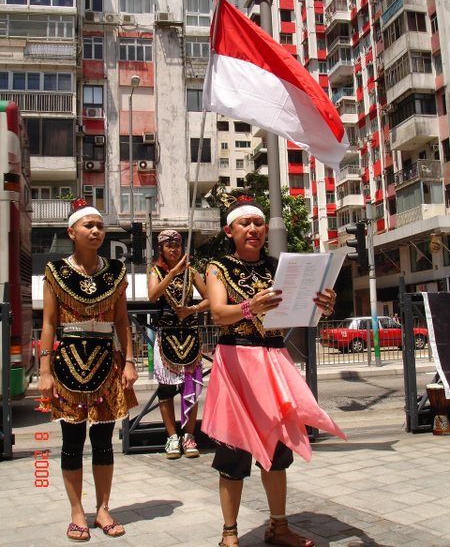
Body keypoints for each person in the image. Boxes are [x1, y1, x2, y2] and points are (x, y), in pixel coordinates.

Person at [202, 195, 346, 547]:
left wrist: (322, 306)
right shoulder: (217, 268)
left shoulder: (279, 267)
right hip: (236, 361)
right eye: (244, 223)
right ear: (229, 231)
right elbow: (219, 314)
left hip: (273, 359)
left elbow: (298, 313)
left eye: (258, 223)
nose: (253, 229)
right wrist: (250, 306)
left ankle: (278, 528)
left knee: (278, 449)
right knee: (234, 451)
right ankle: (229, 534)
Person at [38, 198, 138, 541]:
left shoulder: (116, 272)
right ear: (72, 232)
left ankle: (104, 507)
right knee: (71, 441)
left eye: (100, 226)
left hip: (105, 363)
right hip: (67, 362)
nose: (96, 231)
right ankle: (77, 511)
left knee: (104, 441)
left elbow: (122, 321)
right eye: (88, 226)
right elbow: (49, 324)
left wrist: (129, 361)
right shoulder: (56, 272)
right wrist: (45, 371)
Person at [148, 229, 209, 459]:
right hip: (167, 335)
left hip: (190, 334)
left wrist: (191, 309)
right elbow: (153, 295)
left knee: (189, 386)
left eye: (177, 245)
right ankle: (172, 436)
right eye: (169, 245)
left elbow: (210, 299)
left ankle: (189, 435)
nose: (174, 249)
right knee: (166, 388)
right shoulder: (155, 271)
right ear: (161, 249)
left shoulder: (192, 272)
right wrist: (172, 273)